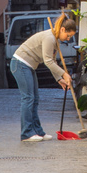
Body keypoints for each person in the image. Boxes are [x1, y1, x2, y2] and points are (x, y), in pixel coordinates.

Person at [10, 12, 77, 141]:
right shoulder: (50, 38)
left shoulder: (54, 40)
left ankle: (38, 131)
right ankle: (26, 133)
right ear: (62, 29)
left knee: (34, 99)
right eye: (68, 36)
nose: (68, 39)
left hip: (29, 66)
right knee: (28, 98)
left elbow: (52, 61)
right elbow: (48, 62)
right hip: (20, 64)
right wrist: (64, 73)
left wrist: (59, 79)